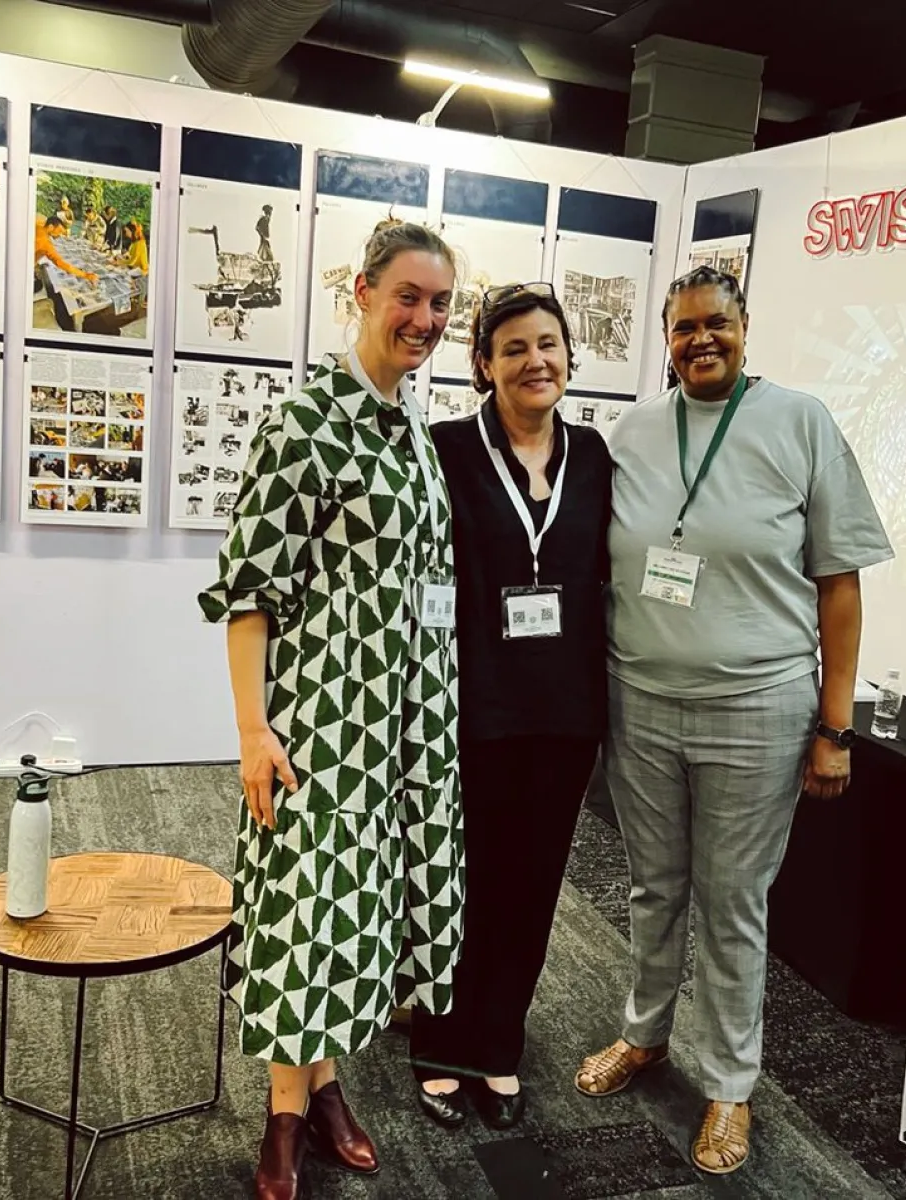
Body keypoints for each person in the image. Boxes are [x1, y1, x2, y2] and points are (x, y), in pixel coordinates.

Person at [573, 265, 894, 1175]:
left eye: (716, 324)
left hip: (759, 705)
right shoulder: (633, 430)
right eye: (682, 329)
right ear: (665, 338)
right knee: (652, 885)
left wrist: (835, 727)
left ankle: (728, 1084)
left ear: (745, 327)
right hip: (639, 699)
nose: (699, 340)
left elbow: (841, 584)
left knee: (732, 902)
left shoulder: (800, 422)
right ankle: (645, 1035)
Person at [198, 220, 463, 1200]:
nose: (424, 318)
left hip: (399, 723)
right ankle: (283, 1112)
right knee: (301, 914)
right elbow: (249, 591)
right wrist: (252, 730)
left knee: (358, 915)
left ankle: (327, 1089)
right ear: (361, 291)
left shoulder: (405, 425)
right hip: (318, 720)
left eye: (439, 303)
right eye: (407, 296)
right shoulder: (306, 420)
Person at [411, 283, 612, 1130]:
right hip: (475, 703)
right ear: (484, 364)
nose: (537, 361)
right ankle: (439, 1044)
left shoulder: (595, 454)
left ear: (569, 356)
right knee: (465, 880)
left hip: (564, 711)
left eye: (550, 345)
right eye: (517, 348)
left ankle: (499, 1046)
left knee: (533, 886)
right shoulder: (446, 448)